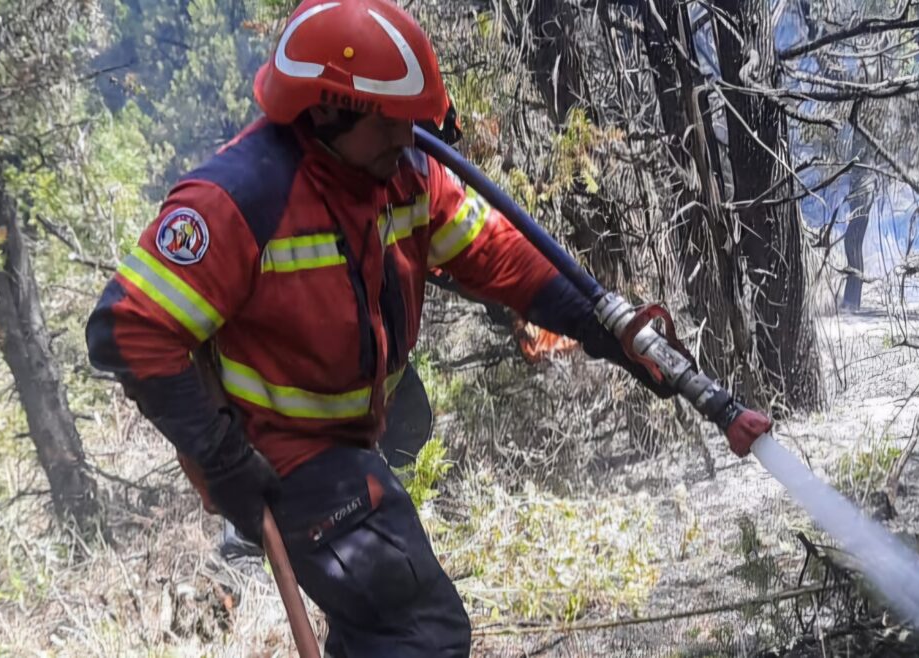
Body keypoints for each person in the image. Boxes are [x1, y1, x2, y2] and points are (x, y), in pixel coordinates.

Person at [84, 0, 767, 654]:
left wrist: (610, 332)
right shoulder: (240, 198)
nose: (406, 136)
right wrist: (224, 460)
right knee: (419, 631)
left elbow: (504, 259)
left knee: (381, 632)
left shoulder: (402, 175)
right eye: (387, 121)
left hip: (354, 438)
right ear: (325, 107)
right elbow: (129, 329)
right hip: (282, 455)